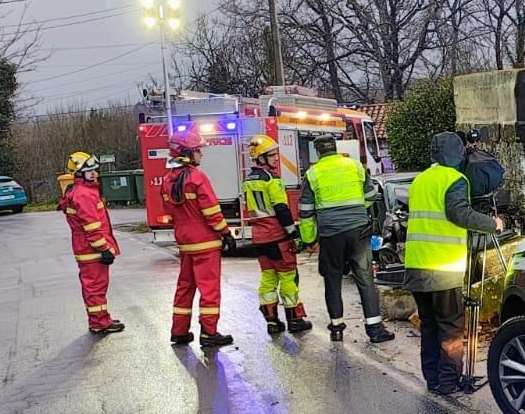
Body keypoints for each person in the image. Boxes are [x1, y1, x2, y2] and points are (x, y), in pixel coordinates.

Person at [404, 131, 502, 395]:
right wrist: (492, 224)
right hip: (443, 268)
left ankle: (433, 379)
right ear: (458, 153)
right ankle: (449, 382)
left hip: (416, 265)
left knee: (429, 325)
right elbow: (459, 214)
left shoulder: (420, 180)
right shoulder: (455, 179)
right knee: (450, 328)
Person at [304, 134, 394, 343]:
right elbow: (371, 195)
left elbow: (306, 212)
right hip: (358, 231)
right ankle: (375, 329)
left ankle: (337, 328)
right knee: (365, 278)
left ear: (318, 152)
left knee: (332, 278)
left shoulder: (312, 174)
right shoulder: (354, 166)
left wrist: (309, 240)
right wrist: (356, 212)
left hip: (331, 234)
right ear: (335, 148)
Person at [164, 128, 234, 348]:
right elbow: (211, 211)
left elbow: (171, 211)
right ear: (186, 152)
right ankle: (209, 332)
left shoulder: (167, 180)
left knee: (185, 286)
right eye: (197, 150)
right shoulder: (197, 177)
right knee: (209, 288)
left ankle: (179, 331)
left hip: (185, 243)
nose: (201, 154)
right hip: (206, 242)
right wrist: (225, 233)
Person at [242, 134, 313, 335]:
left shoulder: (249, 180)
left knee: (268, 277)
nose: (275, 159)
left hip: (259, 237)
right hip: (276, 236)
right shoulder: (272, 180)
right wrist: (294, 234)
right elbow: (281, 209)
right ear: (261, 158)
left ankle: (272, 321)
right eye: (271, 155)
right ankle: (295, 320)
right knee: (288, 277)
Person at [59, 152, 124, 335]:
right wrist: (104, 248)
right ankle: (99, 323)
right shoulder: (84, 195)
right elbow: (92, 227)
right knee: (95, 287)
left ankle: (100, 319)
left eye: (95, 170)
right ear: (79, 174)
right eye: (89, 170)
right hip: (91, 249)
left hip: (86, 247)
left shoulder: (80, 191)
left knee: (94, 286)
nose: (94, 173)